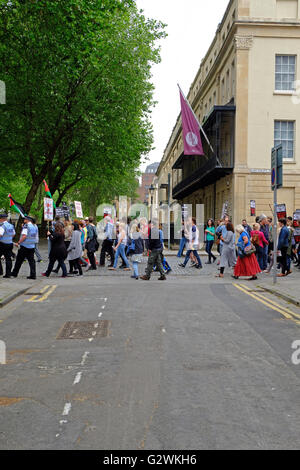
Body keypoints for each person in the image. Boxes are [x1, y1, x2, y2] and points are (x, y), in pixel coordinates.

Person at [11, 216, 38, 280]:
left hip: (24, 246)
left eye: (25, 219)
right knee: (32, 261)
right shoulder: (34, 226)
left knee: (19, 260)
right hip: (31, 246)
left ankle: (15, 273)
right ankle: (33, 274)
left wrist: (18, 242)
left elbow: (24, 236)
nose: (24, 220)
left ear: (28, 220)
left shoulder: (26, 226)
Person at [0, 212, 15, 278]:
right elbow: (13, 234)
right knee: (8, 259)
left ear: (1, 219)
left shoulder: (2, 226)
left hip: (2, 244)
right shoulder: (11, 225)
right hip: (10, 243)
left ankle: (0, 271)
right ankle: (8, 274)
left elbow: (0, 234)